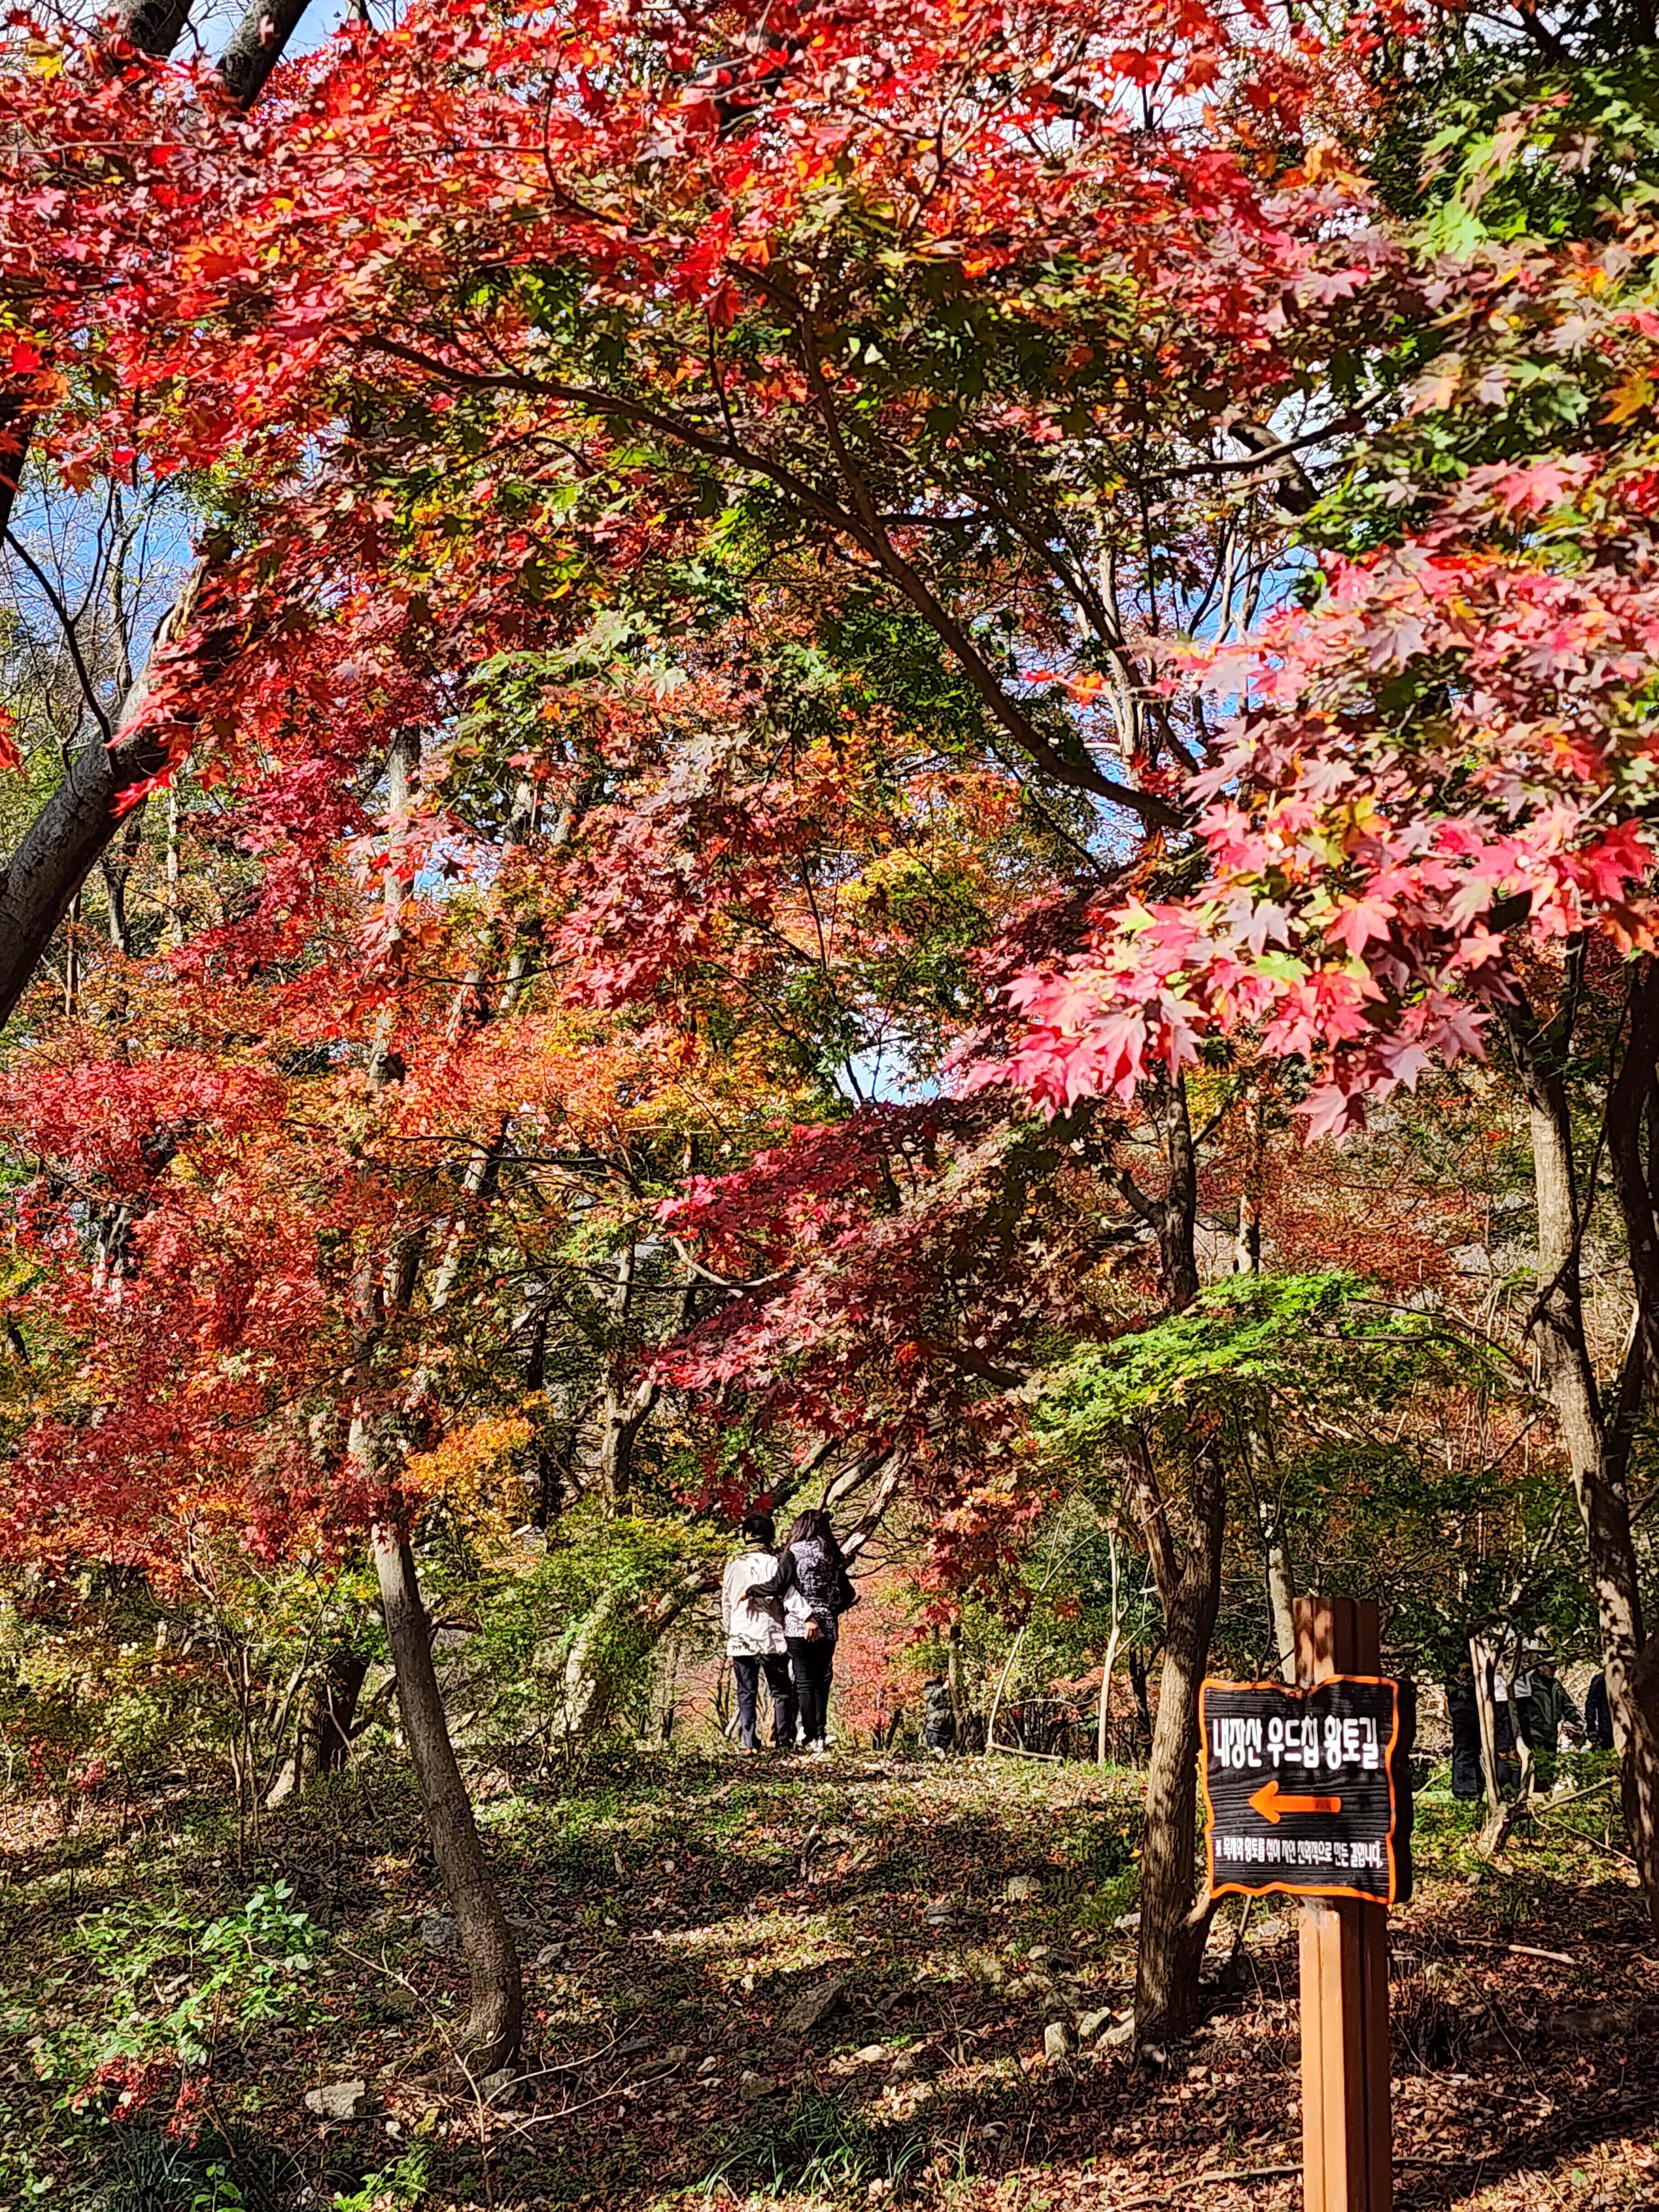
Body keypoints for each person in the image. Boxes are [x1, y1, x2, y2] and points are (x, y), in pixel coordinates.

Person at [752, 1508, 859, 1753]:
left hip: (798, 1626)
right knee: (821, 1681)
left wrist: (753, 1590)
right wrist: (830, 1609)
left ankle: (809, 1735)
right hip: (828, 1627)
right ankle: (820, 1733)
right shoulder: (833, 1555)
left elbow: (778, 1585)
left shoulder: (793, 1553)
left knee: (804, 1681)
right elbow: (848, 1593)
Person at [721, 1511, 796, 1752]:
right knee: (781, 1690)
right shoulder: (777, 1564)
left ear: (745, 1536)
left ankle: (749, 1742)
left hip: (742, 1635)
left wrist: (730, 1630)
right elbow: (788, 1599)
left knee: (746, 1691)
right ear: (770, 1537)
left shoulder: (734, 1567)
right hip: (773, 1635)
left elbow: (727, 1603)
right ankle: (783, 1740)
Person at [1517, 1655, 1581, 1787]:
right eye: (1551, 1667)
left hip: (1551, 1733)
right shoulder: (1529, 1684)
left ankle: (1548, 1788)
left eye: (1556, 1667)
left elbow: (1566, 1705)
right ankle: (1536, 1790)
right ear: (1541, 1666)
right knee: (1538, 1765)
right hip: (1534, 1733)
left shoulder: (1555, 1684)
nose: (1555, 1670)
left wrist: (1577, 1720)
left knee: (1551, 1765)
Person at [922, 1674, 955, 1757]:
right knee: (935, 1747)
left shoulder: (931, 1689)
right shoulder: (929, 1690)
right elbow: (941, 1692)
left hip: (941, 1725)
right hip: (935, 1726)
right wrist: (948, 1680)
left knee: (939, 1746)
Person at [1585, 1669, 1615, 1751]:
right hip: (1607, 1730)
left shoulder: (1628, 1677)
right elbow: (1591, 1705)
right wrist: (1592, 1730)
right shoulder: (1601, 1680)